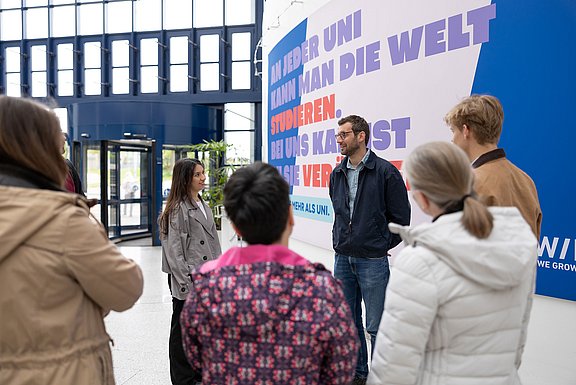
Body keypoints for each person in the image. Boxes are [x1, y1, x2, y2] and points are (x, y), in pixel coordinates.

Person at [0, 95, 144, 385]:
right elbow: (126, 288)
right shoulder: (62, 221)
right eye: (57, 137)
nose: (63, 143)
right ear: (36, 147)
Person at [367, 142, 537, 385]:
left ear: (422, 198)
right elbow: (518, 343)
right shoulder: (520, 246)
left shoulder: (420, 262)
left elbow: (394, 365)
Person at [180, 162, 359, 385]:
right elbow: (341, 370)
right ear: (290, 217)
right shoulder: (323, 292)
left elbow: (197, 360)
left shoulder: (204, 291)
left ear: (235, 227)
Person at [329, 115, 411, 384]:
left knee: (376, 326)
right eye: (338, 135)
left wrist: (378, 244)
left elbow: (401, 218)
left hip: (373, 261)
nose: (339, 139)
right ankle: (358, 374)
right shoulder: (337, 174)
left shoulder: (386, 172)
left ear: (361, 136)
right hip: (343, 258)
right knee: (349, 322)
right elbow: (340, 213)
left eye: (344, 134)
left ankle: (380, 376)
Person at [158, 158, 222, 385]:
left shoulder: (203, 205)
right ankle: (183, 379)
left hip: (207, 278)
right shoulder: (177, 209)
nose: (203, 177)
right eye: (197, 174)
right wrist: (186, 285)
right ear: (185, 178)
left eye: (203, 173)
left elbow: (213, 245)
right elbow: (174, 252)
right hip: (188, 279)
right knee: (181, 332)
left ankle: (198, 375)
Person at [445, 94, 542, 238]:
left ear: (466, 130)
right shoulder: (526, 181)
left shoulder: (470, 184)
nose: (452, 139)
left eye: (453, 131)